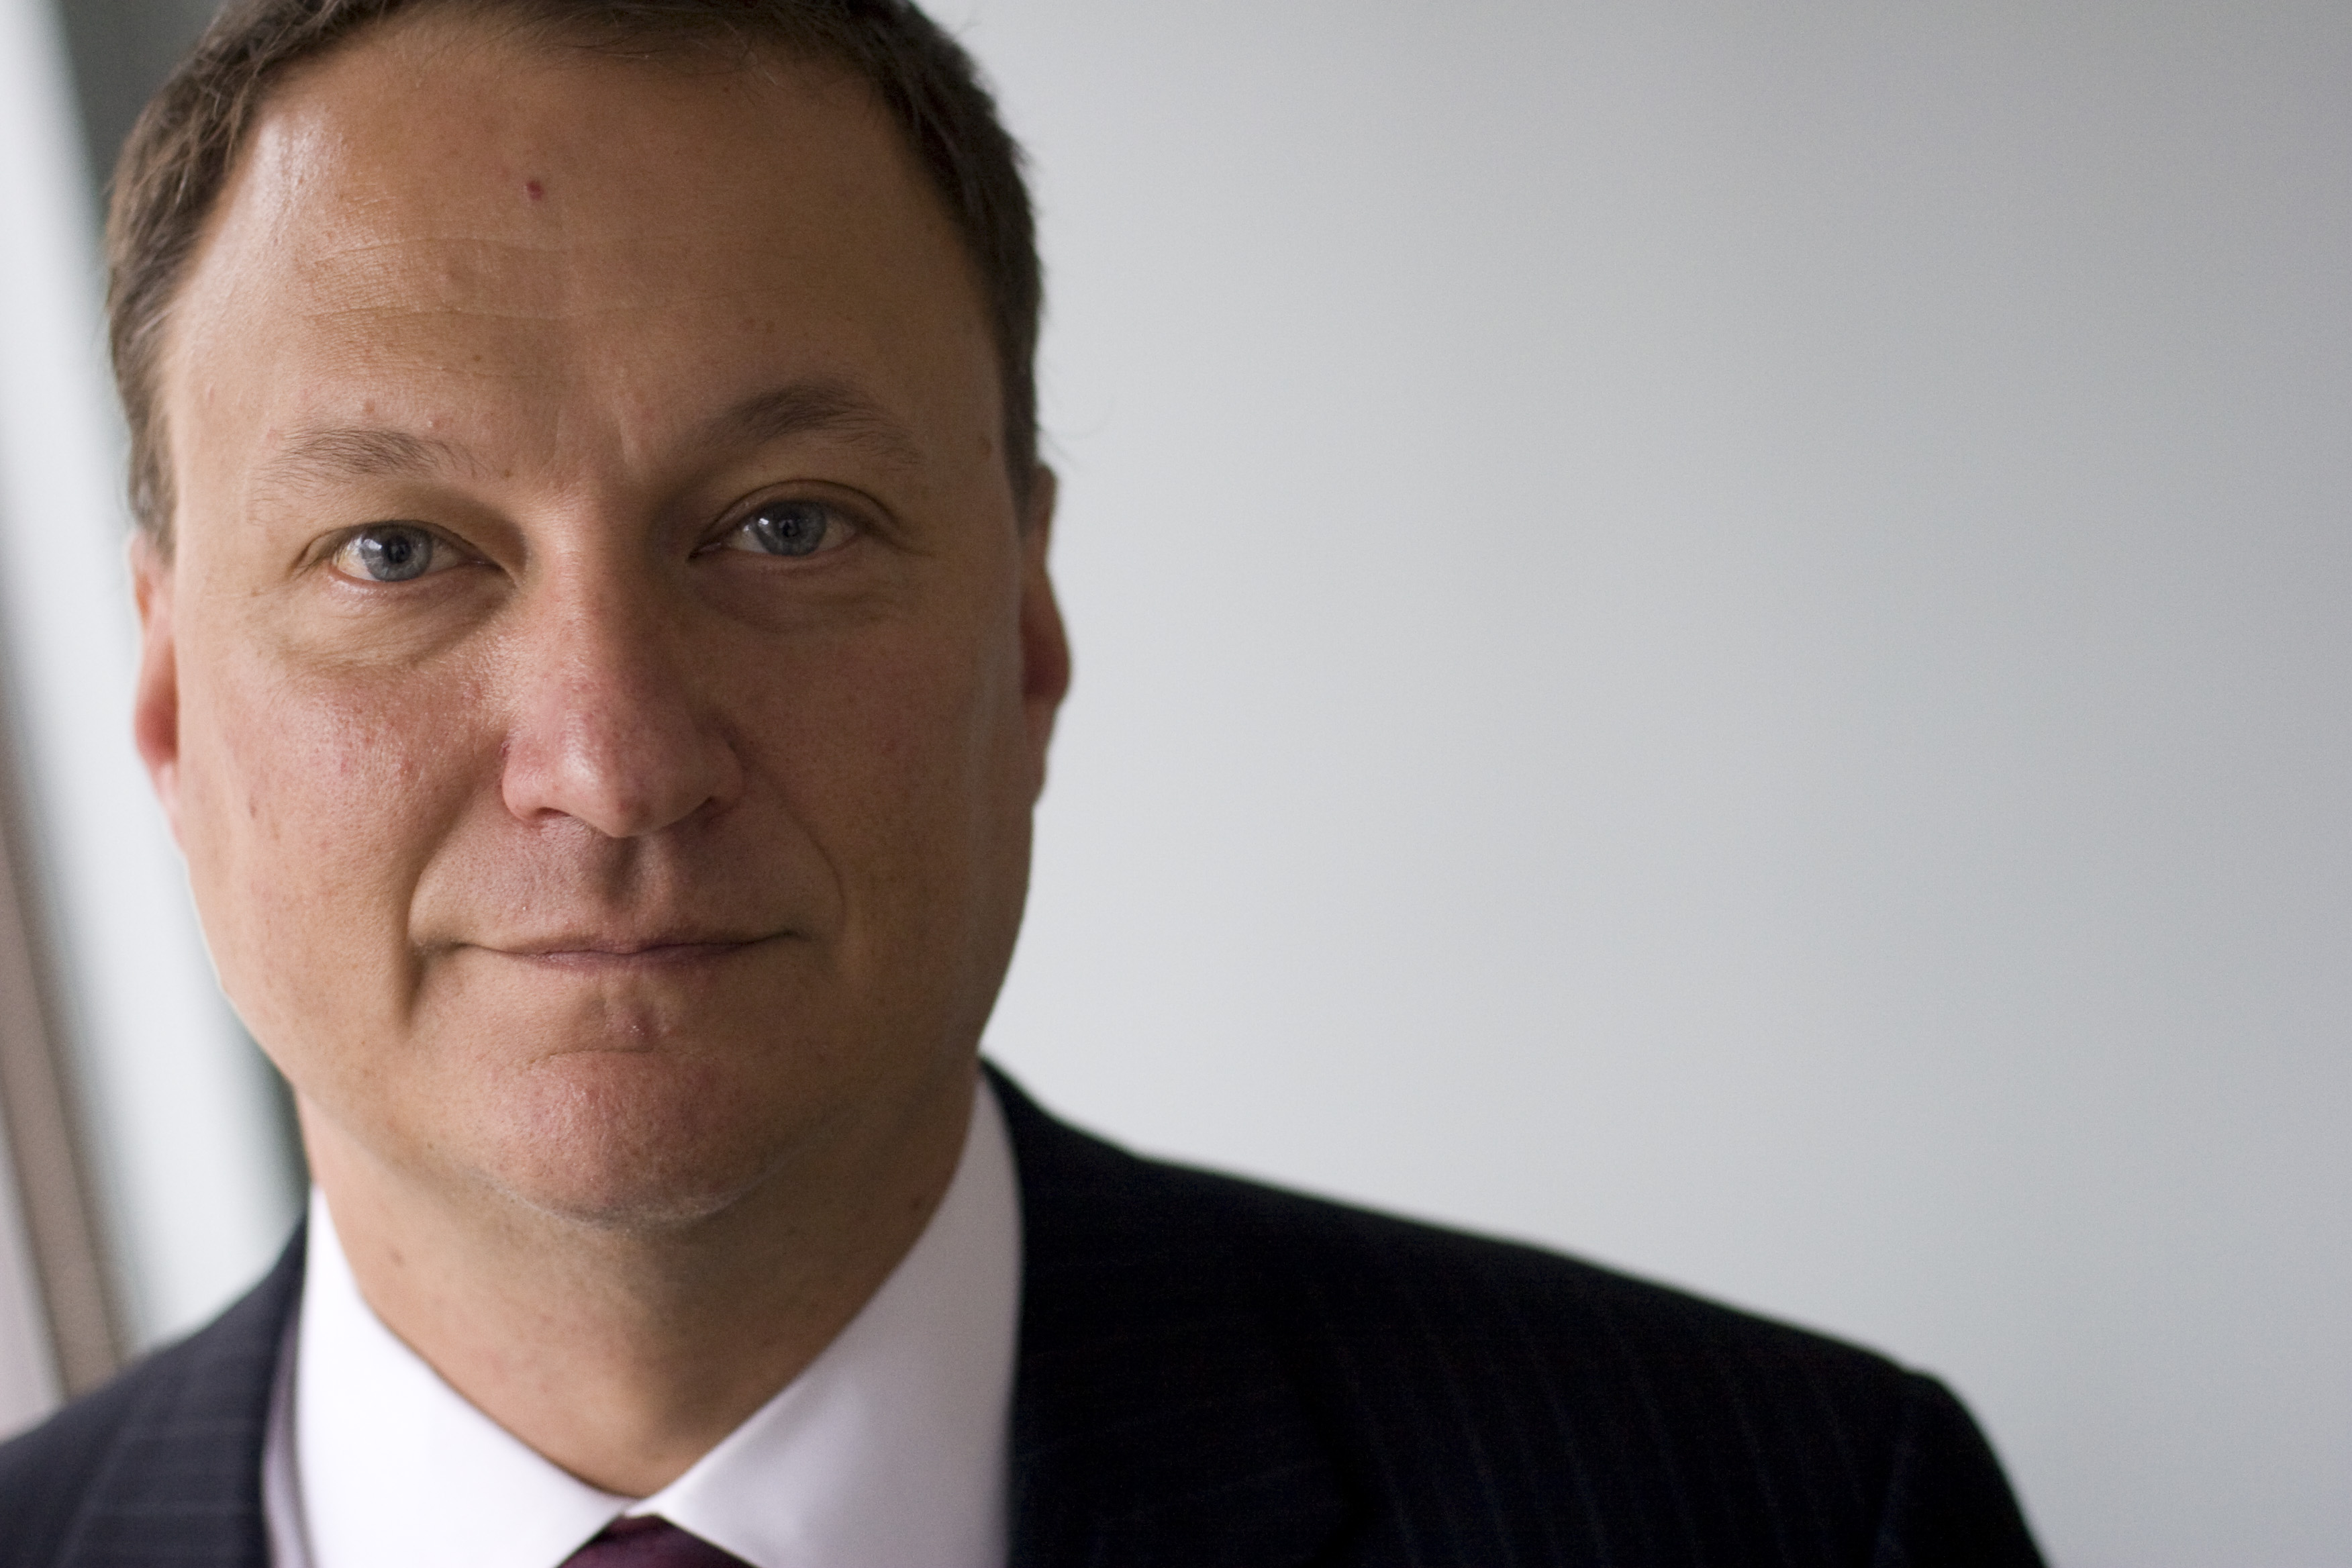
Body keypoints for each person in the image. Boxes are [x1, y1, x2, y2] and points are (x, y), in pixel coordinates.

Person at [0, 1, 2045, 1563]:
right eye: (396, 552)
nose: (613, 766)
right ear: (168, 700)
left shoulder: (1783, 1515)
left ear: (1030, 631)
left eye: (788, 526)